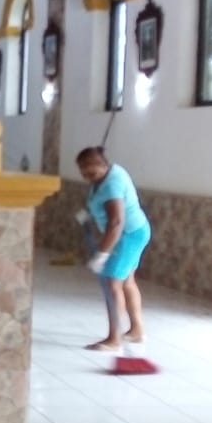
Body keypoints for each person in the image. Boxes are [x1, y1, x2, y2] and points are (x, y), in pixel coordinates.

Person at [76, 146, 152, 351]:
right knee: (126, 281)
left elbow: (116, 222)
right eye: (84, 174)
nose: (88, 178)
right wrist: (87, 212)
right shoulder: (104, 176)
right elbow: (97, 196)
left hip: (128, 234)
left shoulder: (112, 184)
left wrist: (102, 254)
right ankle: (136, 330)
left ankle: (114, 339)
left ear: (103, 165)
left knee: (112, 284)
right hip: (135, 231)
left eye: (91, 173)